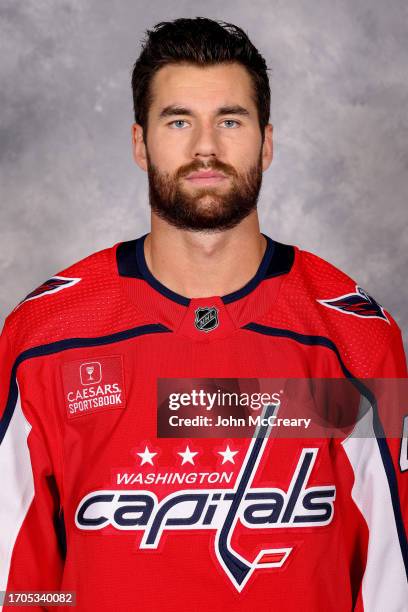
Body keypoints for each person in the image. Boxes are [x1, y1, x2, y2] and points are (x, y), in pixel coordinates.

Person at [0, 17, 407, 612]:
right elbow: (19, 582)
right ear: (140, 143)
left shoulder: (353, 337)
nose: (205, 148)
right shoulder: (44, 337)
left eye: (230, 120)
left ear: (267, 142)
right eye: (179, 120)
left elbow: (391, 579)